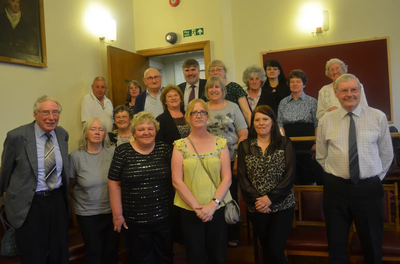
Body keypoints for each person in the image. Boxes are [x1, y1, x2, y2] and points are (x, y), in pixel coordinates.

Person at [316, 73, 393, 264]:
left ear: (360, 90)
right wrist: (337, 174)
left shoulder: (377, 117)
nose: (349, 94)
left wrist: (373, 177)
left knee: (372, 245)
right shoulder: (326, 120)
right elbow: (321, 155)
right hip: (336, 189)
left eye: (353, 89)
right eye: (344, 90)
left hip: (369, 189)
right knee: (337, 245)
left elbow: (386, 154)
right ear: (336, 92)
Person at [0, 95, 70, 264]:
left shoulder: (62, 134)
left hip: (56, 199)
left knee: (59, 249)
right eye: (46, 112)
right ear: (35, 114)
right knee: (32, 252)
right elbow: (6, 171)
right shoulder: (17, 136)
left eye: (55, 112)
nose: (51, 117)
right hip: (29, 203)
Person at [108, 111, 174, 264]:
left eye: (150, 129)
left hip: (164, 218)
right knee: (140, 259)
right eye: (141, 129)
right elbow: (113, 183)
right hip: (134, 221)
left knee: (166, 257)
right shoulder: (122, 151)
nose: (146, 132)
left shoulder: (165, 150)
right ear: (134, 133)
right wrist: (117, 215)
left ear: (156, 131)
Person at [171, 99, 232, 264]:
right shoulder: (179, 145)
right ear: (188, 117)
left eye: (202, 112)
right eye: (194, 112)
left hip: (217, 208)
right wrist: (196, 208)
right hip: (189, 209)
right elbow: (177, 181)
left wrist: (213, 205)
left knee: (218, 256)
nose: (198, 116)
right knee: (195, 257)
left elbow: (227, 178)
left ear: (207, 116)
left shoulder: (221, 144)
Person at [237, 105, 296, 264]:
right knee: (267, 251)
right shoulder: (244, 146)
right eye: (257, 119)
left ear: (272, 122)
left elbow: (289, 175)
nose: (261, 123)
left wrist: (269, 198)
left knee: (276, 251)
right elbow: (242, 178)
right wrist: (259, 201)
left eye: (265, 119)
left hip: (282, 206)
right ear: (253, 123)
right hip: (257, 208)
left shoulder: (284, 143)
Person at [205, 76, 248, 247]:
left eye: (217, 87)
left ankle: (232, 234)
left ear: (223, 90)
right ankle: (215, 234)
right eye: (210, 87)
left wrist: (238, 158)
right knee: (210, 197)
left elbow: (243, 134)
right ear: (206, 91)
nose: (214, 90)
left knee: (229, 197)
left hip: (230, 160)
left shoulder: (233, 107)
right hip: (206, 163)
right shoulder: (201, 107)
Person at [69, 117, 119, 264]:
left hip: (112, 212)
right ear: (86, 133)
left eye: (101, 129)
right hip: (88, 214)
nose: (97, 132)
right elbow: (70, 186)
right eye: (93, 129)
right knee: (93, 253)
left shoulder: (113, 152)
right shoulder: (76, 156)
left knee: (111, 252)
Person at [277, 69, 318, 184]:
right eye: (292, 81)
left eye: (298, 81)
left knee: (309, 175)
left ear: (304, 84)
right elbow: (280, 124)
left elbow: (317, 124)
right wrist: (283, 142)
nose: (295, 84)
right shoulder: (283, 102)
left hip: (307, 142)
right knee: (290, 176)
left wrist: (316, 143)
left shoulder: (312, 101)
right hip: (289, 143)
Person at [203, 59, 252, 126]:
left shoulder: (235, 87)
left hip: (235, 126)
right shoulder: (208, 90)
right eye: (212, 70)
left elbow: (246, 112)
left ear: (225, 72)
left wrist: (253, 131)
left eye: (218, 69)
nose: (215, 72)